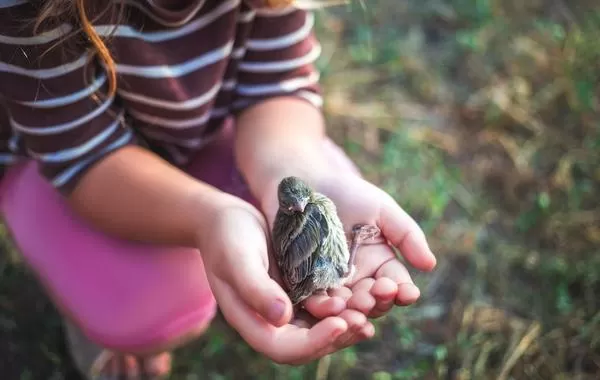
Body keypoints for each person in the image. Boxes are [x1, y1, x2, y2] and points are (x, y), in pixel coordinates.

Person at [0, 0, 437, 378]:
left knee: (319, 176)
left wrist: (298, 174)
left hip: (207, 132)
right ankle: (92, 299)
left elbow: (277, 86)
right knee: (142, 306)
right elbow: (85, 155)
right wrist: (209, 219)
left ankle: (237, 262)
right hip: (67, 167)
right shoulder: (31, 11)